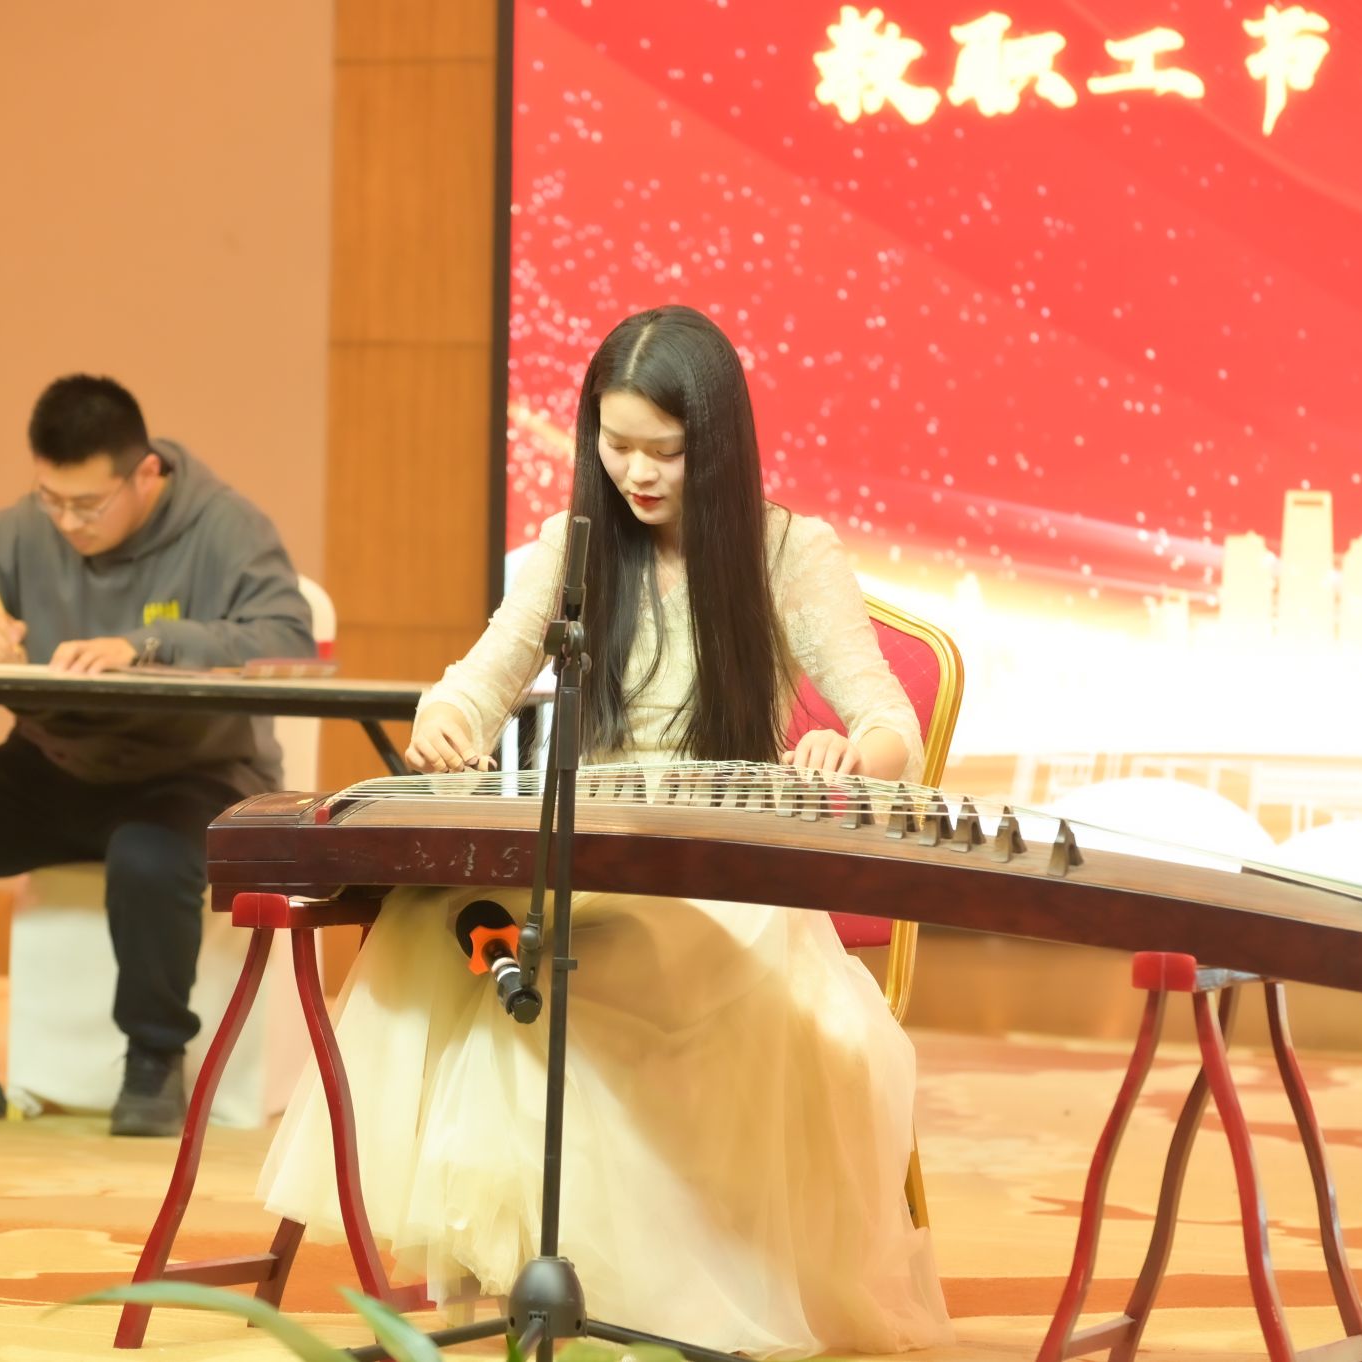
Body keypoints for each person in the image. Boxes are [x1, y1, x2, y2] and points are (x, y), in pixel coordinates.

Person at [257, 308, 953, 1355]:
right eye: (615, 445)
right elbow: (477, 681)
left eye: (662, 451)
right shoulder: (572, 548)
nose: (635, 473)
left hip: (724, 874)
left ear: (715, 442)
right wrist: (448, 721)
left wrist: (852, 752)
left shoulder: (787, 552)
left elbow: (888, 723)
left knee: (636, 973)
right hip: (589, 852)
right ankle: (544, 1267)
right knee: (437, 927)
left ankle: (661, 1290)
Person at [0, 374, 315, 1136]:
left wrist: (147, 646)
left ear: (145, 474)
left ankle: (154, 1061)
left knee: (148, 855)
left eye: (88, 505)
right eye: (51, 499)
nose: (66, 523)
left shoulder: (225, 526)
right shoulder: (20, 532)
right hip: (54, 765)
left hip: (194, 772)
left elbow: (288, 640)